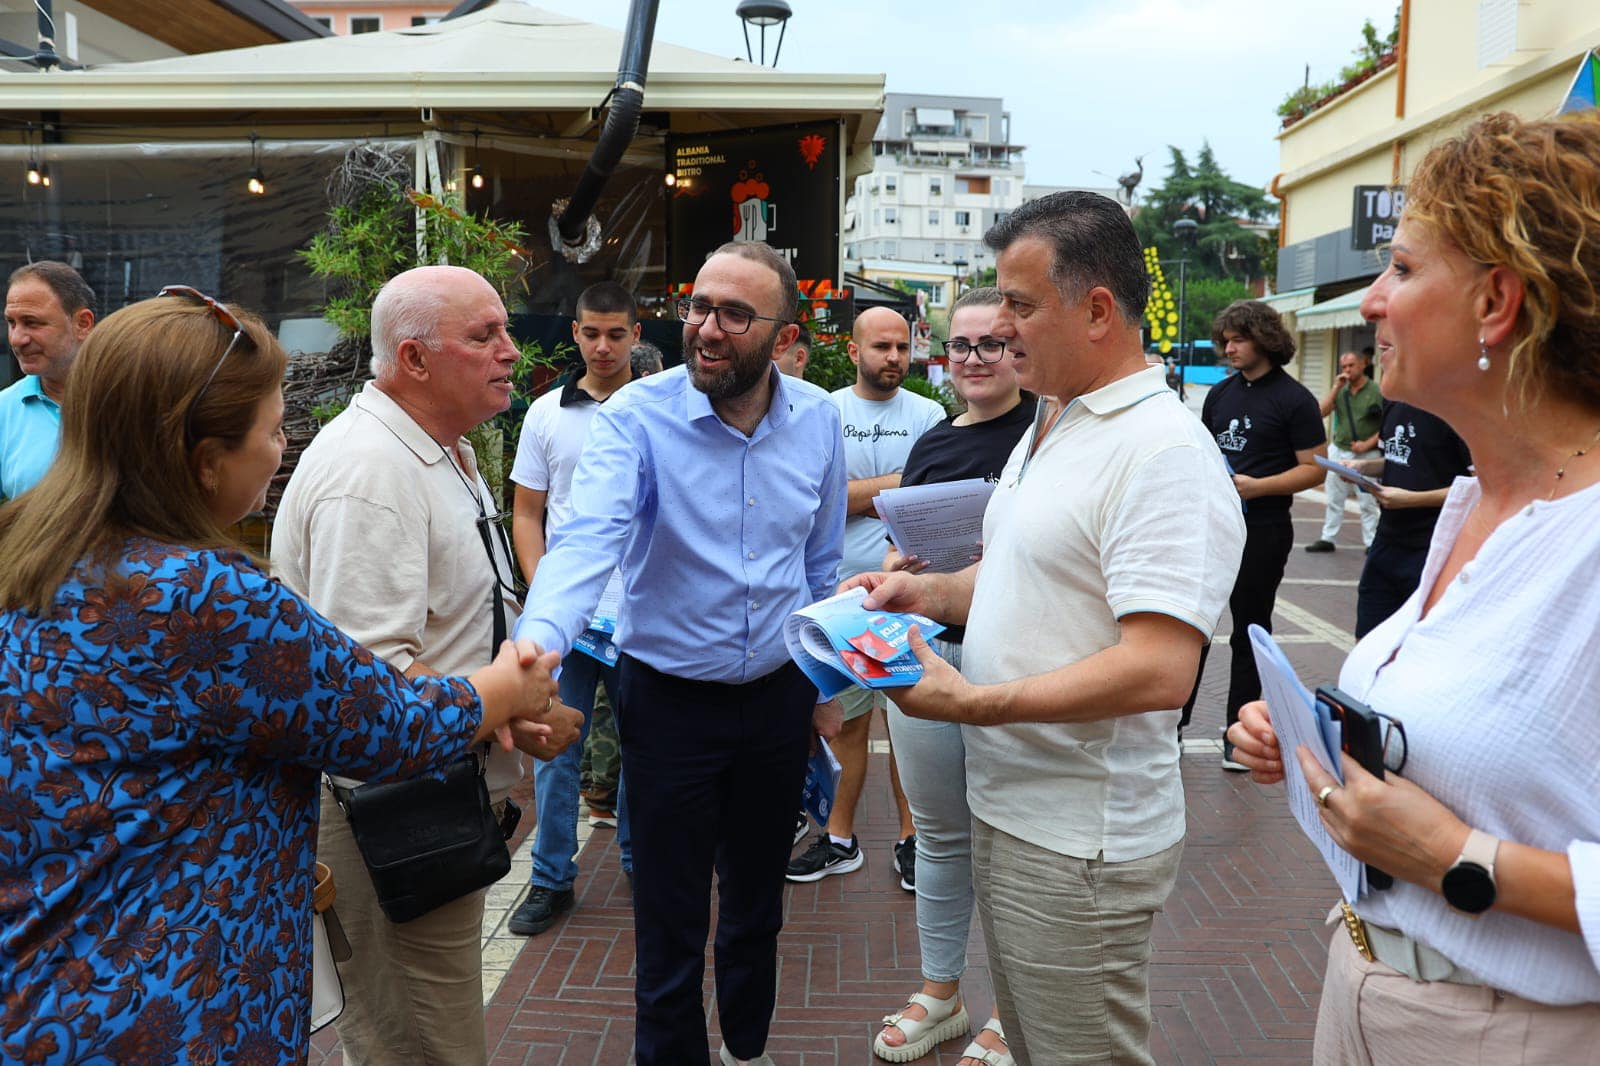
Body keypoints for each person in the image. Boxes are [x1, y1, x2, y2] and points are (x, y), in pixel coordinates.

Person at [0, 291, 560, 1062]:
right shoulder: (202, 595)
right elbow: (388, 723)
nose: (284, 445)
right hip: (174, 996)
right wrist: (508, 683)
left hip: (53, 980)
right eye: (271, 430)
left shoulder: (31, 555)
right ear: (204, 462)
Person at [1228, 109, 1600, 1064]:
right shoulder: (1475, 499)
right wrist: (1323, 749)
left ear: (1497, 303)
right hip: (1363, 984)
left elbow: (1470, 828)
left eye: (1400, 268)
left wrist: (1456, 862)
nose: (1371, 302)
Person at [847, 191, 1245, 1063]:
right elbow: (1026, 572)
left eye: (1022, 306)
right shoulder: (1055, 421)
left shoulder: (1164, 453)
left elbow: (1159, 669)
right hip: (1018, 813)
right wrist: (933, 595)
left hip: (1080, 840)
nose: (1003, 328)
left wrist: (973, 702)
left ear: (1097, 310)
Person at [512, 240, 847, 1065]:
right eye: (699, 306)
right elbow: (584, 543)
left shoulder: (820, 420)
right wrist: (536, 651)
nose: (706, 328)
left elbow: (820, 567)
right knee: (668, 918)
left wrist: (824, 687)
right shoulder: (636, 418)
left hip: (777, 697)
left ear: (783, 332)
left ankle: (747, 1047)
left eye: (735, 313)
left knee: (757, 905)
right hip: (664, 702)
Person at [272, 265, 582, 1064]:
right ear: (414, 360)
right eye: (484, 336)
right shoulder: (372, 474)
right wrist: (505, 701)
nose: (512, 351)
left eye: (504, 330)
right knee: (423, 1045)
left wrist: (509, 712)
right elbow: (367, 703)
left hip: (432, 806)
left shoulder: (439, 448)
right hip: (392, 819)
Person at [871, 287, 1029, 1065]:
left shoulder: (1047, 433)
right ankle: (942, 991)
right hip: (929, 652)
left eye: (991, 344)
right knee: (938, 835)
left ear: (1020, 348)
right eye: (960, 346)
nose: (972, 359)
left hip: (1015, 661)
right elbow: (906, 546)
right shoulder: (934, 441)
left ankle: (1013, 1007)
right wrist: (895, 567)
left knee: (1011, 841)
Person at [788, 307, 943, 889]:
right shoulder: (826, 411)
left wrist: (860, 495)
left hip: (910, 595)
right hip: (840, 600)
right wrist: (898, 487)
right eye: (881, 347)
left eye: (902, 347)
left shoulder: (929, 413)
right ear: (854, 351)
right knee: (844, 726)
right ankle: (838, 839)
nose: (894, 358)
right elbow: (817, 501)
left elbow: (930, 497)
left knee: (909, 728)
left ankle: (912, 841)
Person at [508, 280, 640, 936]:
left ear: (636, 336)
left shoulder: (659, 410)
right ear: (576, 333)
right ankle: (551, 879)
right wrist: (545, 594)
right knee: (553, 748)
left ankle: (644, 869)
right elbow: (527, 514)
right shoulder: (545, 415)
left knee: (648, 748)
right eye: (592, 332)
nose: (603, 345)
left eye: (616, 333)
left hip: (644, 614)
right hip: (570, 621)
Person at [1180, 299, 1325, 768]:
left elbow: (1314, 470)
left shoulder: (1295, 399)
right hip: (1213, 527)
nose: (1229, 347)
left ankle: (1237, 736)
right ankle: (1173, 730)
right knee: (1192, 627)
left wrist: (1258, 486)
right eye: (1226, 339)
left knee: (1249, 631)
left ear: (1263, 339)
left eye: (1238, 339)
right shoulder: (1221, 395)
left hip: (1264, 529)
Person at [1344, 401, 1471, 636]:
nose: (1385, 362)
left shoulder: (1458, 409)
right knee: (1368, 637)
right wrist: (1363, 467)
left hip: (1433, 548)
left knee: (1416, 643)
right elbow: (1399, 459)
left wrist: (1412, 499)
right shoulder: (1393, 404)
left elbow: (1480, 486)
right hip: (1385, 542)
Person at [0, 261, 95, 500]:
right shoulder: (4, 410)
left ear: (82, 324)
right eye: (11, 323)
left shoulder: (133, 398)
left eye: (32, 323)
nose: (17, 339)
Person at [1306, 348, 1382, 552]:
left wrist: (1367, 444)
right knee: (1334, 496)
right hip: (1339, 449)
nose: (1347, 370)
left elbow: (1387, 425)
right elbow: (1320, 412)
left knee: (1367, 499)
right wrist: (1335, 387)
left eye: (1351, 366)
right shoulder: (1341, 391)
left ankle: (1371, 541)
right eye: (1344, 367)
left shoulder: (1376, 391)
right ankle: (1328, 538)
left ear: (1363, 365)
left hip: (1367, 453)